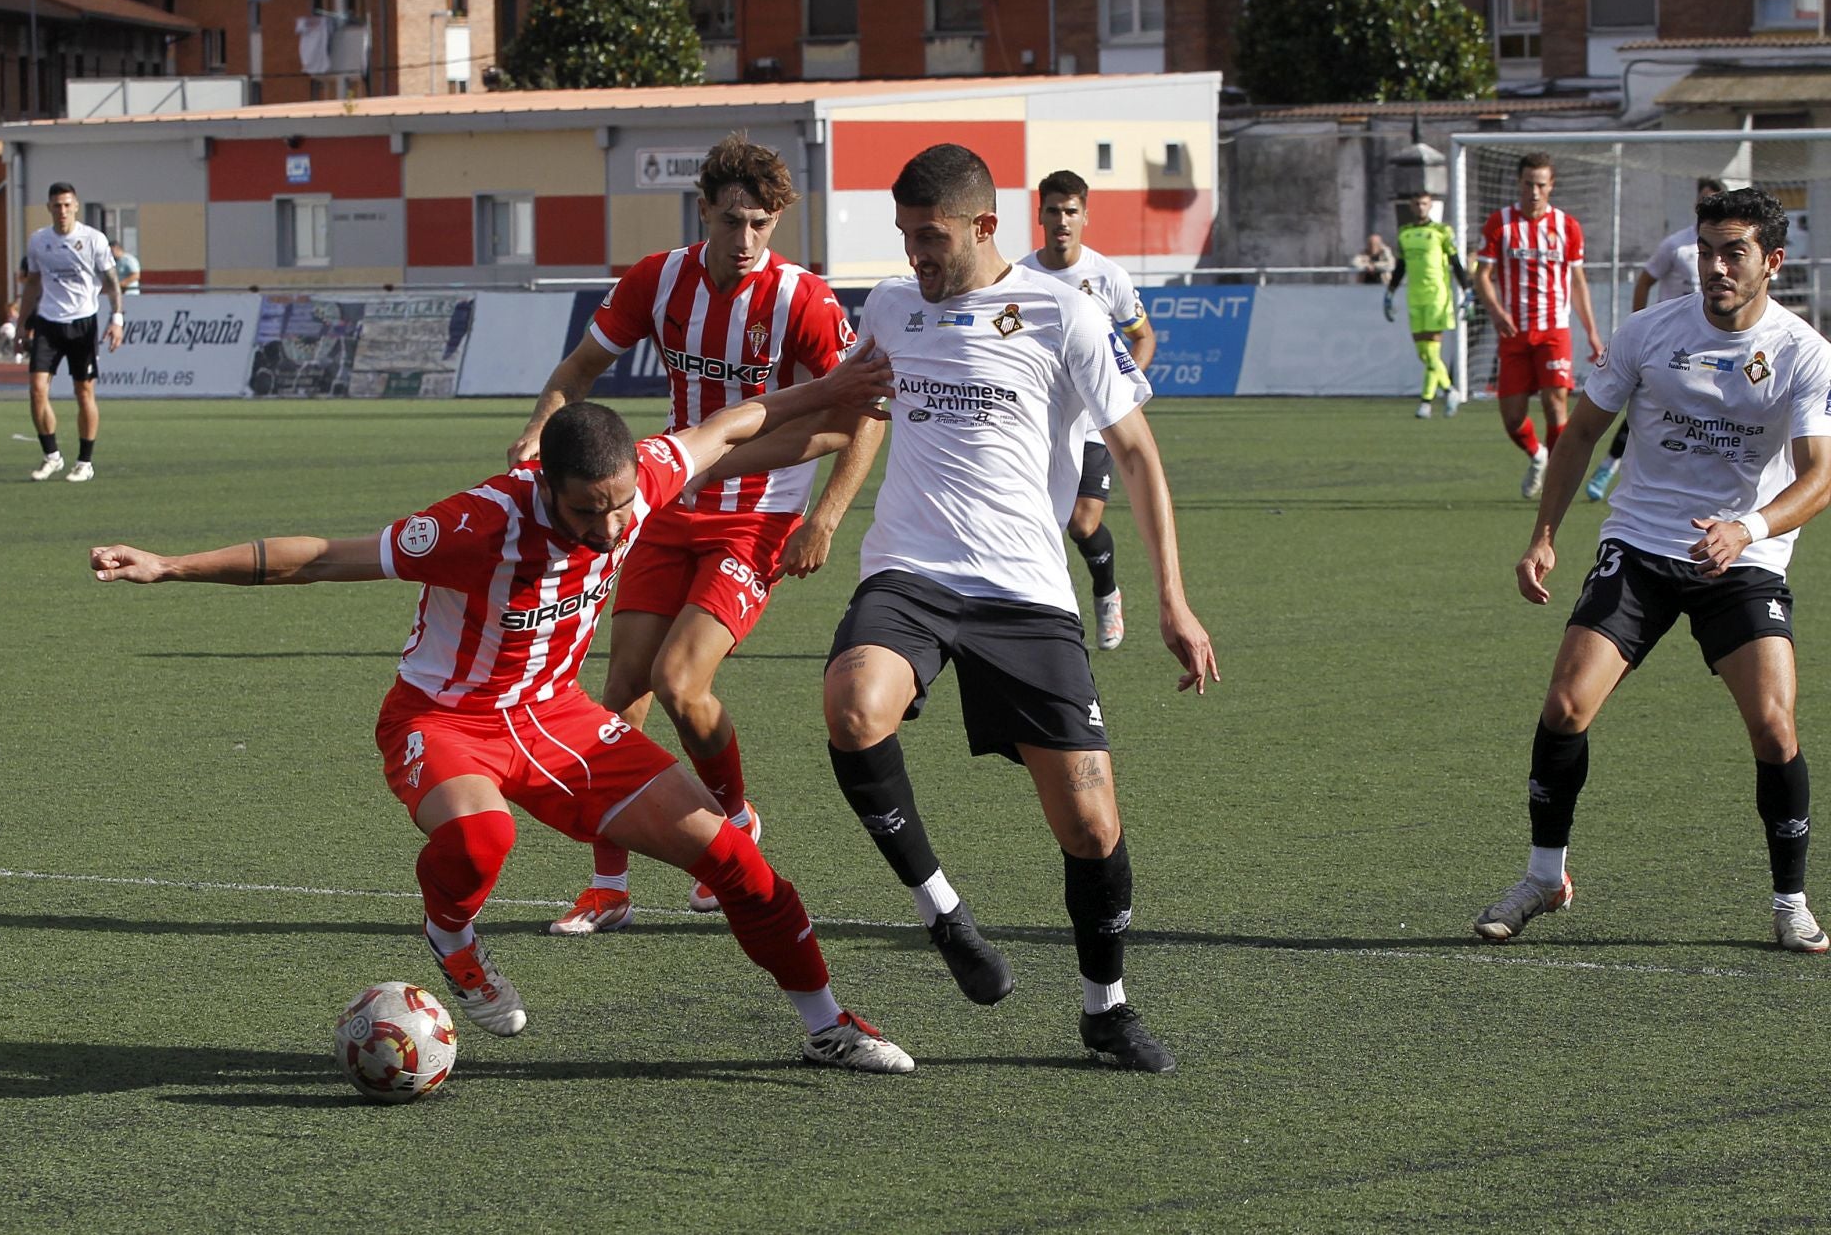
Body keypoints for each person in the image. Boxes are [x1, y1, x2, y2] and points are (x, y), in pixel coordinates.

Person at [89, 360, 919, 1072]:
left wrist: (841, 389)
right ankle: (450, 934)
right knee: (484, 840)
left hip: (560, 718)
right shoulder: (477, 521)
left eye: (620, 504)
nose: (608, 526)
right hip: (443, 719)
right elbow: (322, 558)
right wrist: (169, 566)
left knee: (737, 860)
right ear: (545, 485)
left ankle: (826, 1027)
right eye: (587, 509)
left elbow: (737, 422)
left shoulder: (645, 475)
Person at [823, 143, 1219, 1073]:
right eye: (906, 235)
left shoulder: (1066, 314)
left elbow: (1138, 453)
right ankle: (945, 915)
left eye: (931, 236)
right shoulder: (888, 306)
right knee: (851, 705)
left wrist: (1172, 598)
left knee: (1090, 826)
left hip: (1025, 590)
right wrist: (801, 499)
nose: (916, 253)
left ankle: (1105, 1008)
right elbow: (850, 410)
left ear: (984, 228)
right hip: (911, 571)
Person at [507, 134, 883, 935]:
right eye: (731, 221)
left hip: (759, 512)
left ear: (777, 221)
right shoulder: (658, 279)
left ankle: (735, 821)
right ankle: (609, 884)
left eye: (761, 224)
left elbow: (860, 417)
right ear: (703, 211)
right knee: (623, 692)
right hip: (669, 496)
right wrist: (539, 430)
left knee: (682, 682)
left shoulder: (804, 301)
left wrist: (825, 516)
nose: (745, 240)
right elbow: (578, 373)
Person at [1473, 187, 1831, 955]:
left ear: (1773, 261)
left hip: (1743, 559)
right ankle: (1544, 875)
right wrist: (1543, 535)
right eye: (1705, 250)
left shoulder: (1802, 351)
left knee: (1773, 726)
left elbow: (1820, 476)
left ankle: (1790, 900)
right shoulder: (1647, 333)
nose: (1714, 266)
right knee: (1566, 705)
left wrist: (1748, 527)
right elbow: (1579, 436)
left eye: (1733, 252)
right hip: (1639, 544)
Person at [1017, 169, 1157, 650]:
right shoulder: (1019, 277)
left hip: (1093, 423)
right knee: (1038, 520)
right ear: (1040, 215)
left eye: (1071, 210)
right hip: (1038, 423)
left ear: (1085, 216)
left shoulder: (1108, 276)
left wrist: (1117, 392)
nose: (1062, 219)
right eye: (1053, 210)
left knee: (1082, 523)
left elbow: (1142, 336)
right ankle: (1043, 618)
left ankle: (1106, 591)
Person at [1471, 153, 1606, 499]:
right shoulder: (1500, 224)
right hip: (1513, 332)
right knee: (1513, 419)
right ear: (1520, 183)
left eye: (1541, 185)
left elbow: (1577, 282)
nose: (1534, 192)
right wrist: (1496, 311)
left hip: (1553, 331)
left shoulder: (1567, 227)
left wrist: (1590, 331)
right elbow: (1482, 275)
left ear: (1551, 186)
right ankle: (1538, 455)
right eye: (1529, 184)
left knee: (1555, 402)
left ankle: (1557, 482)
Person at [1586, 177, 1726, 503]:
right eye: (1706, 201)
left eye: (1716, 200)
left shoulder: (1729, 252)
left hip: (1712, 346)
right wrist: (1641, 328)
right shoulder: (1676, 246)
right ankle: (1609, 465)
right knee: (1649, 403)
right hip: (1674, 345)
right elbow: (1645, 281)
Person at [19, 183, 123, 483]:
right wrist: (22, 322)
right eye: (56, 205)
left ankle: (84, 462)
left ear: (76, 206)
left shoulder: (93, 240)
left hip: (83, 323)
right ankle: (51, 456)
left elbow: (112, 281)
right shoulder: (39, 240)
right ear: (49, 208)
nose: (62, 211)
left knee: (83, 391)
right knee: (37, 389)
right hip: (48, 323)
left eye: (67, 205)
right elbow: (33, 283)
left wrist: (117, 319)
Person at [1384, 192, 1472, 420]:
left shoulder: (1442, 232)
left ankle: (1427, 401)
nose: (1420, 207)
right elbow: (1400, 267)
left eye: (1424, 203)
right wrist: (1390, 293)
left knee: (1431, 351)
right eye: (1416, 204)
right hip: (1415, 297)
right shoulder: (1405, 233)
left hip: (1437, 297)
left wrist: (1467, 290)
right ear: (1412, 207)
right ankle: (1447, 391)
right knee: (1424, 353)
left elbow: (1456, 263)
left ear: (1430, 206)